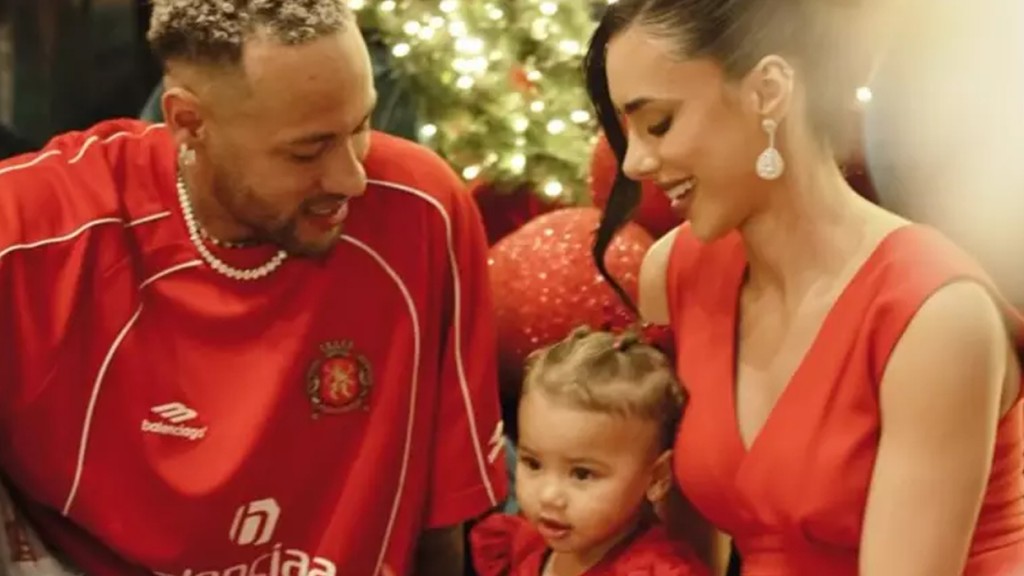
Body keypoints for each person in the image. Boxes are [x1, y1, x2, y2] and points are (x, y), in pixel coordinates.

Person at [0, 1, 506, 575]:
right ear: (189, 122)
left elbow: (445, 531)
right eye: (307, 150)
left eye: (362, 126)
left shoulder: (422, 210)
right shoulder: (33, 236)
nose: (351, 177)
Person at [583, 1, 1024, 575]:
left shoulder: (936, 315)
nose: (635, 162)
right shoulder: (675, 272)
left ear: (768, 91)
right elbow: (683, 556)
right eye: (628, 132)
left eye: (659, 123)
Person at [470, 327, 710, 576]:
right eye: (533, 463)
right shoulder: (523, 545)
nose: (549, 496)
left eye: (582, 474)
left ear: (656, 477)